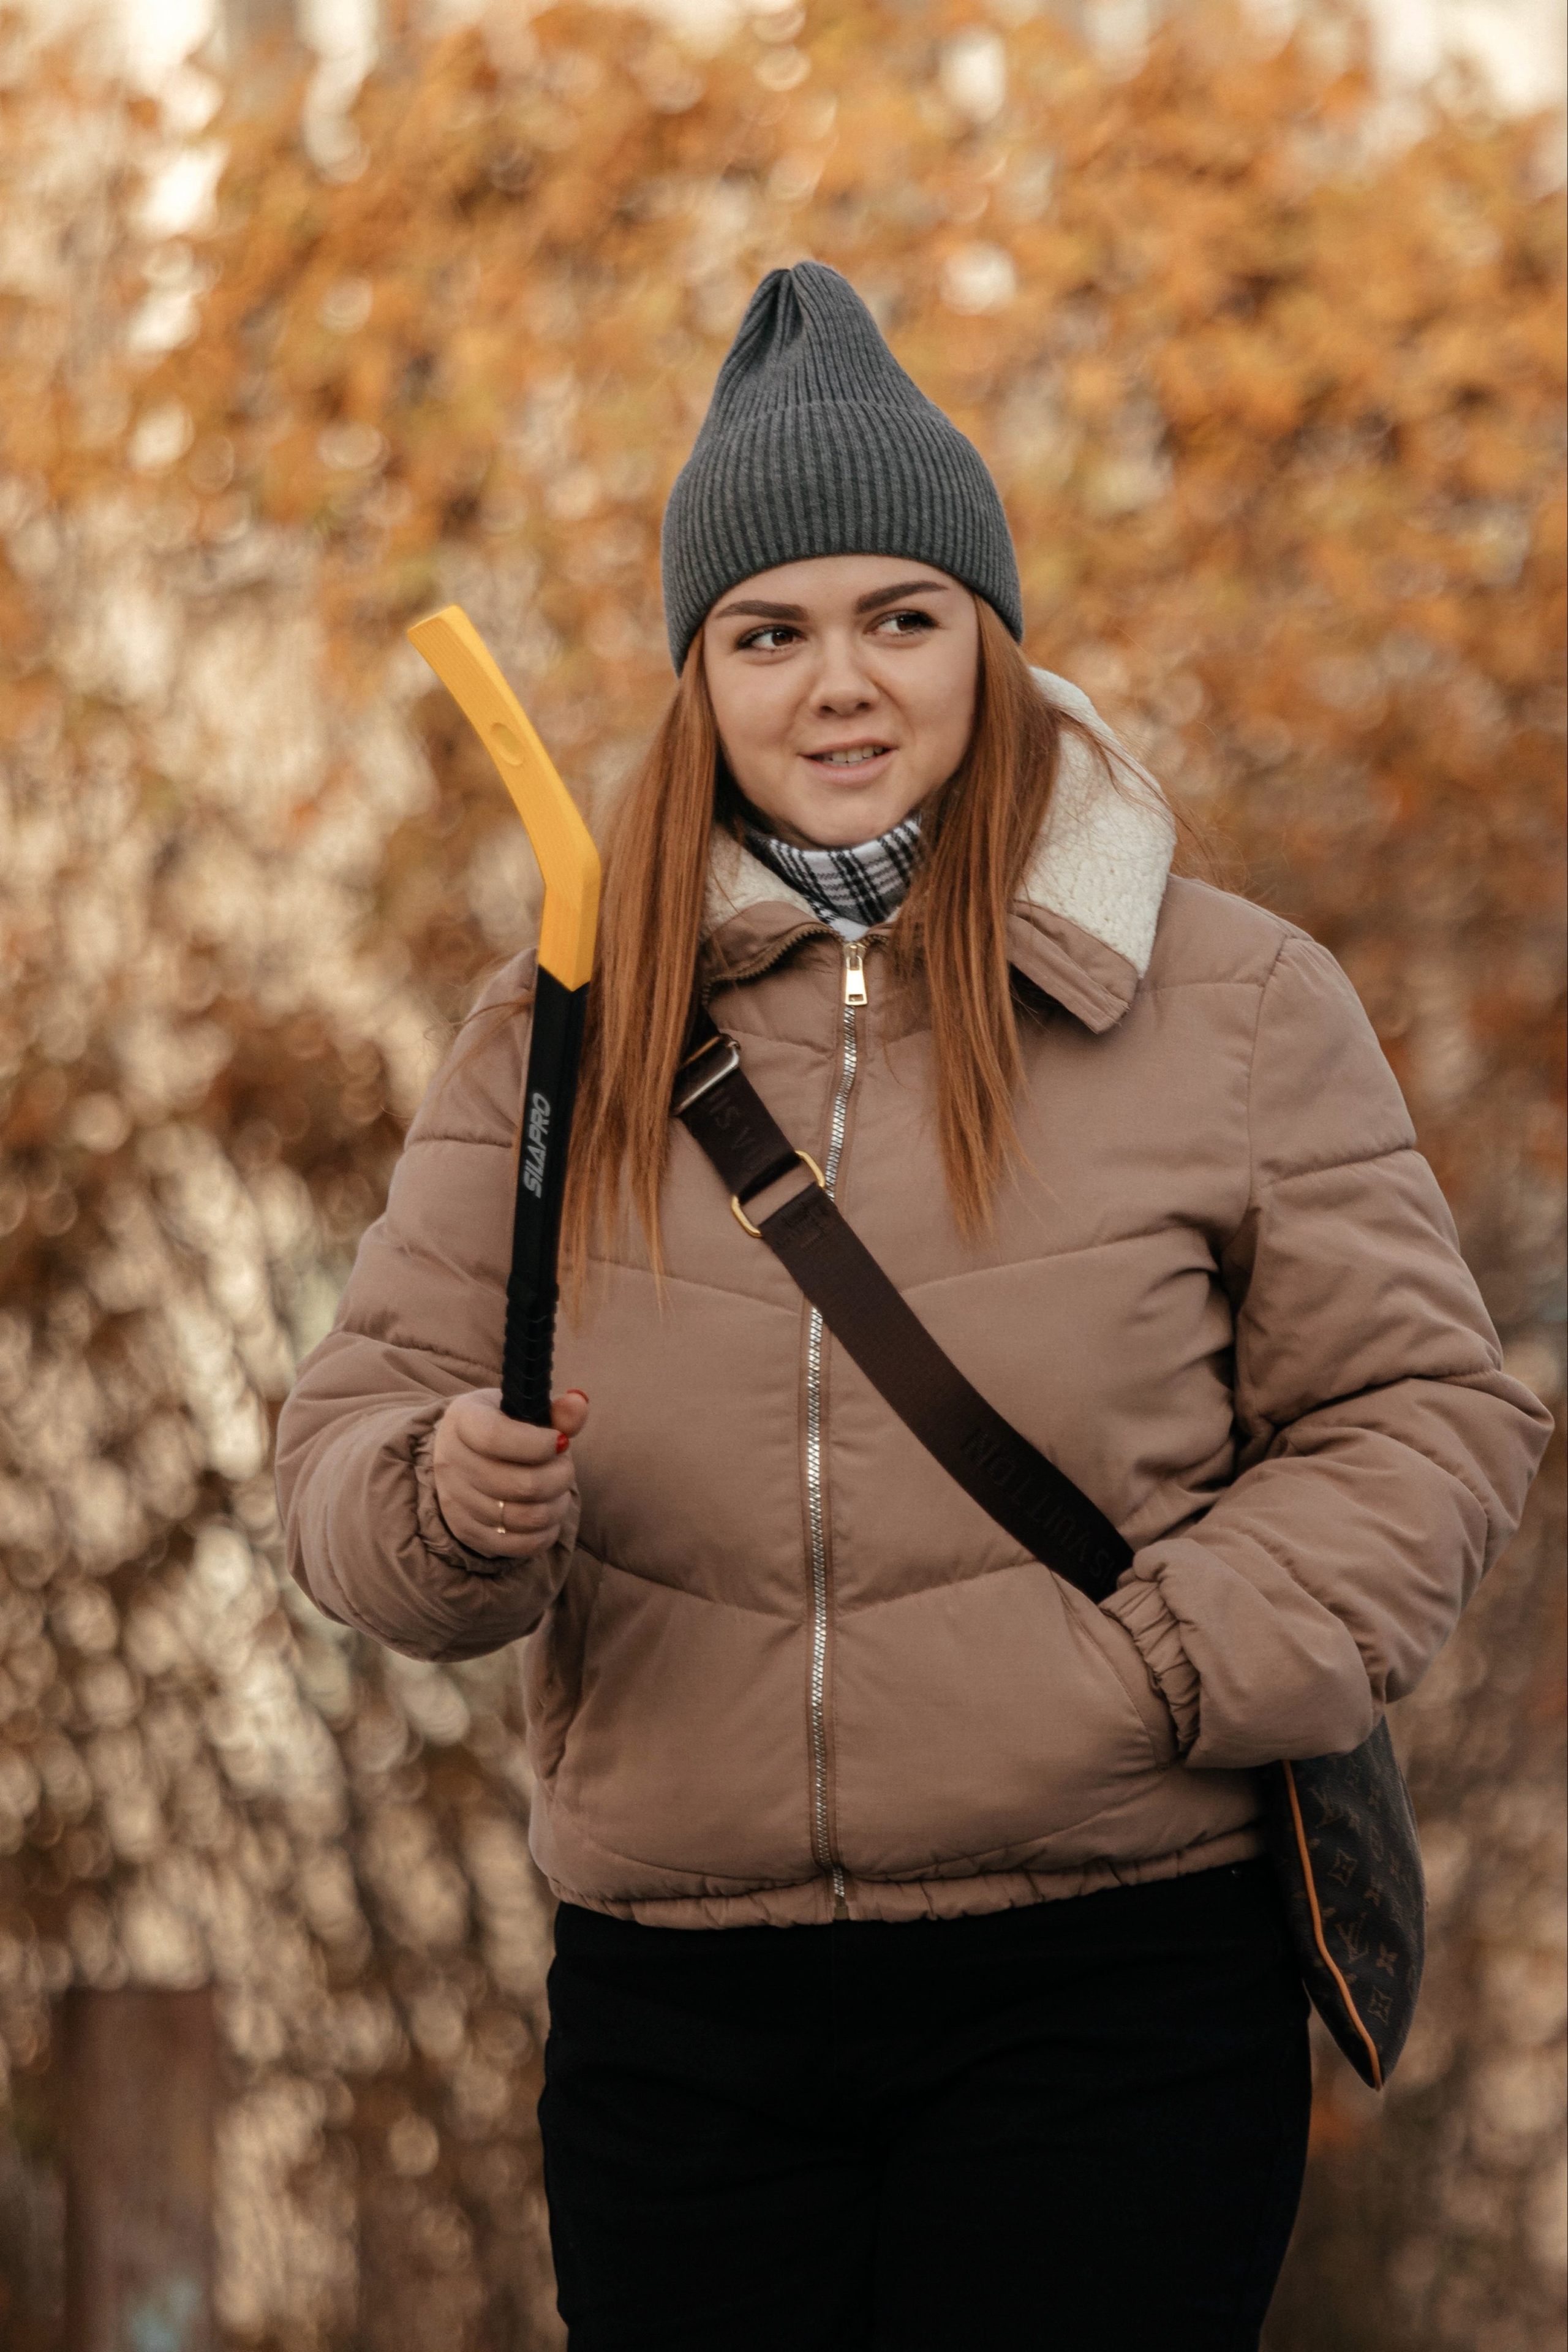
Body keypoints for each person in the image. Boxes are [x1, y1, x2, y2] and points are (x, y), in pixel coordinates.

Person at [277, 264, 1550, 2350]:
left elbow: (1429, 1413)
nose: (839, 686)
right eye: (770, 632)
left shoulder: (1225, 1000)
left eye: (901, 619)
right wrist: (441, 1505)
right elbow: (345, 1446)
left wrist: (1170, 1667)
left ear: (992, 643)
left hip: (1112, 1990)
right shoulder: (561, 1034)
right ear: (703, 678)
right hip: (680, 2020)